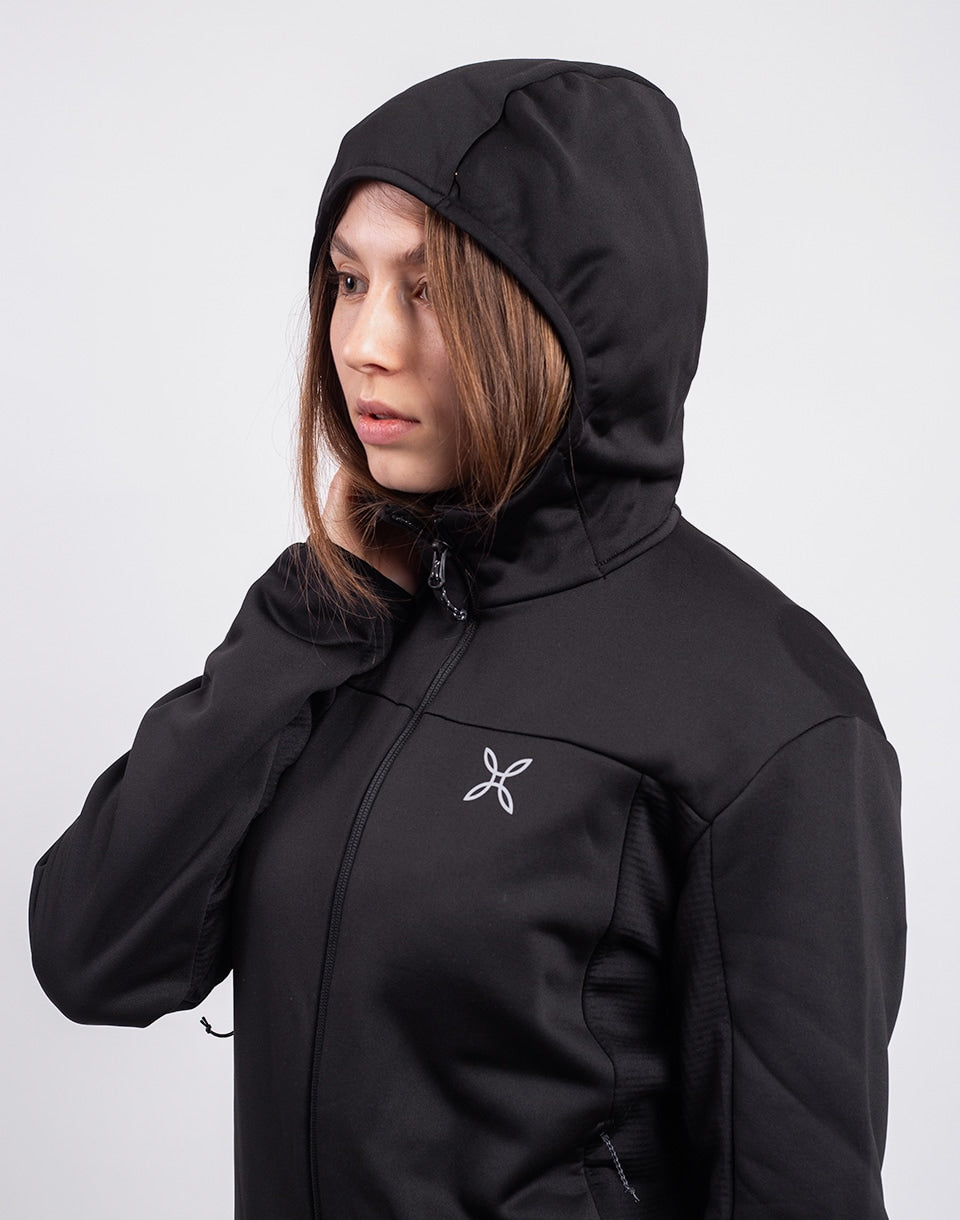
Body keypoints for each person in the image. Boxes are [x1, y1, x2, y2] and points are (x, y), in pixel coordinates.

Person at [29, 59, 906, 1219]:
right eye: (348, 281)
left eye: (429, 291)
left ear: (577, 319)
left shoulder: (768, 708)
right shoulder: (341, 620)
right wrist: (309, 619)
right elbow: (96, 951)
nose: (364, 343)